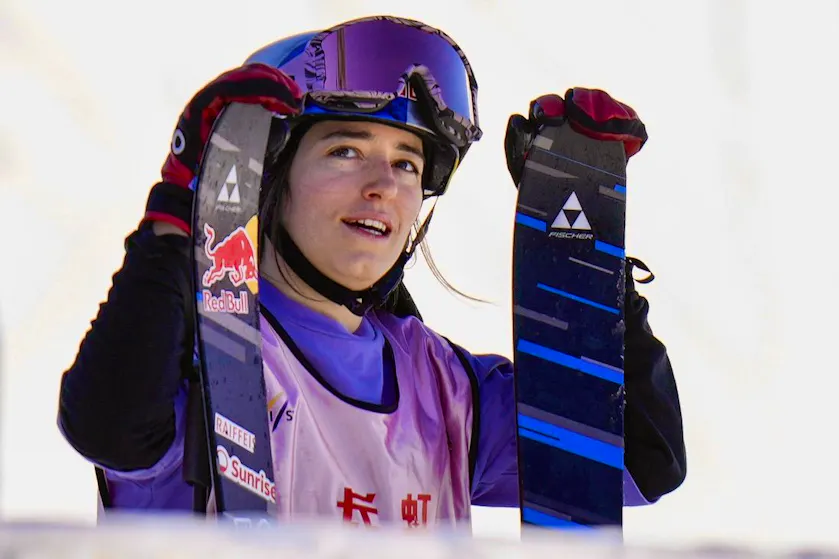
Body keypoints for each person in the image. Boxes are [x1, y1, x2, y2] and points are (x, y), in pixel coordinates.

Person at [56, 15, 686, 527]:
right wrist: (176, 222)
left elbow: (641, 461)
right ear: (269, 177)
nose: (383, 185)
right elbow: (106, 422)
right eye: (346, 150)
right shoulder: (204, 352)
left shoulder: (445, 387)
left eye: (408, 163)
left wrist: (592, 275)